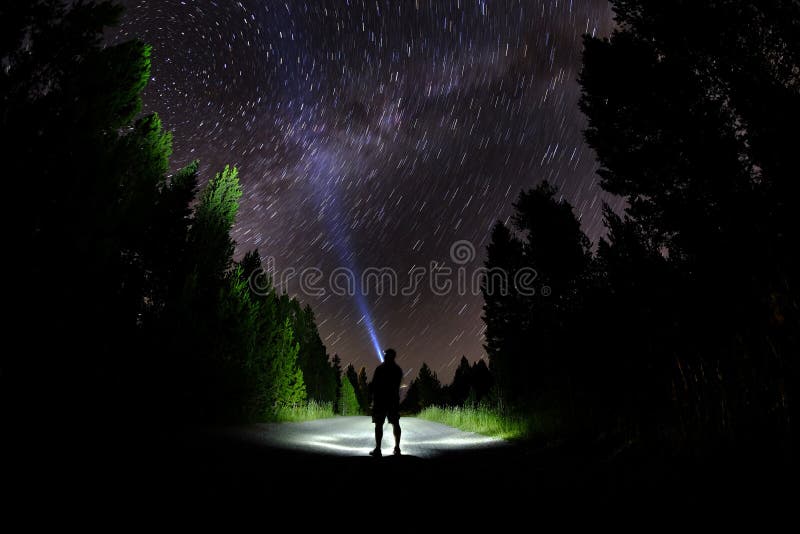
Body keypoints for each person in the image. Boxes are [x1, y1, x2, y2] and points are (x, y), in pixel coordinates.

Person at [369, 348, 403, 457]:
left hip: (380, 401)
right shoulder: (398, 370)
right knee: (395, 423)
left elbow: (374, 385)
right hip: (393, 400)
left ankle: (378, 449)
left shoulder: (380, 369)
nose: (385, 356)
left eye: (386, 355)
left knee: (379, 424)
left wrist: (372, 399)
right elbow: (397, 385)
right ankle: (397, 448)